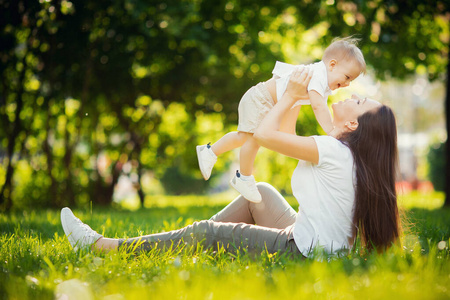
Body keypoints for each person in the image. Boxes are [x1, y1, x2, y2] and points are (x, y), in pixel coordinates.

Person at [61, 67, 400, 257]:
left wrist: (292, 97)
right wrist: (293, 97)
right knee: (262, 193)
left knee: (208, 232)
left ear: (353, 124)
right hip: (312, 241)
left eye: (357, 100)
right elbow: (284, 137)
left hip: (300, 252)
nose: (349, 94)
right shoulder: (342, 154)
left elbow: (267, 136)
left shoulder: (332, 151)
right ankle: (182, 245)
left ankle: (104, 247)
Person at [196, 37, 366, 203]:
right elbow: (318, 107)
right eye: (347, 77)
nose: (347, 84)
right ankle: (243, 177)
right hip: (261, 98)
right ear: (332, 65)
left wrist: (290, 134)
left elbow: (295, 102)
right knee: (252, 139)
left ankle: (210, 151)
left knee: (244, 137)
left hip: (267, 101)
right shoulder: (318, 76)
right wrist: (331, 132)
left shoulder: (318, 79)